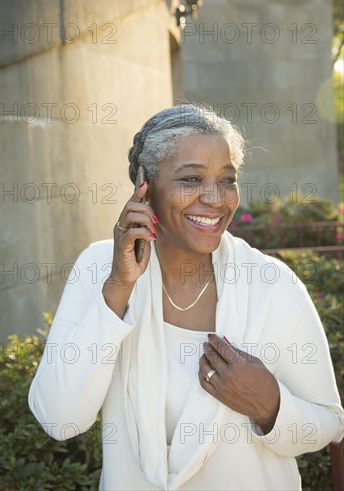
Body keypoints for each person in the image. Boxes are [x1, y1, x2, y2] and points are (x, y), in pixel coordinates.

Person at [29, 104, 343, 491]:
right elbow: (60, 417)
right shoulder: (100, 267)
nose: (215, 198)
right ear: (145, 186)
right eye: (191, 179)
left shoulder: (272, 284)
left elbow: (328, 423)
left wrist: (270, 407)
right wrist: (118, 289)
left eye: (227, 180)